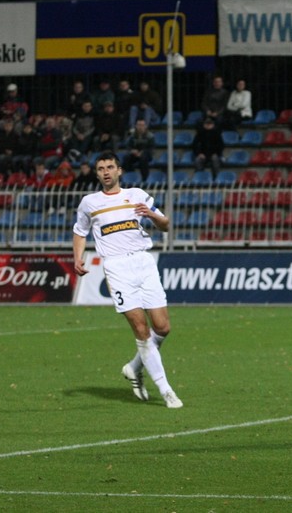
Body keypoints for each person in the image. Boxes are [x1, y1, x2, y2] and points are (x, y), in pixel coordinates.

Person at [72, 153, 183, 409]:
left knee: (162, 327)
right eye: (101, 168)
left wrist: (152, 215)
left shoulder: (136, 195)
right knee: (141, 330)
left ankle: (134, 367)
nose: (106, 172)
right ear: (97, 173)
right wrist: (78, 258)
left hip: (144, 262)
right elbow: (80, 232)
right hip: (116, 267)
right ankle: (166, 391)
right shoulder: (89, 202)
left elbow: (166, 225)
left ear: (119, 171)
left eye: (110, 167)